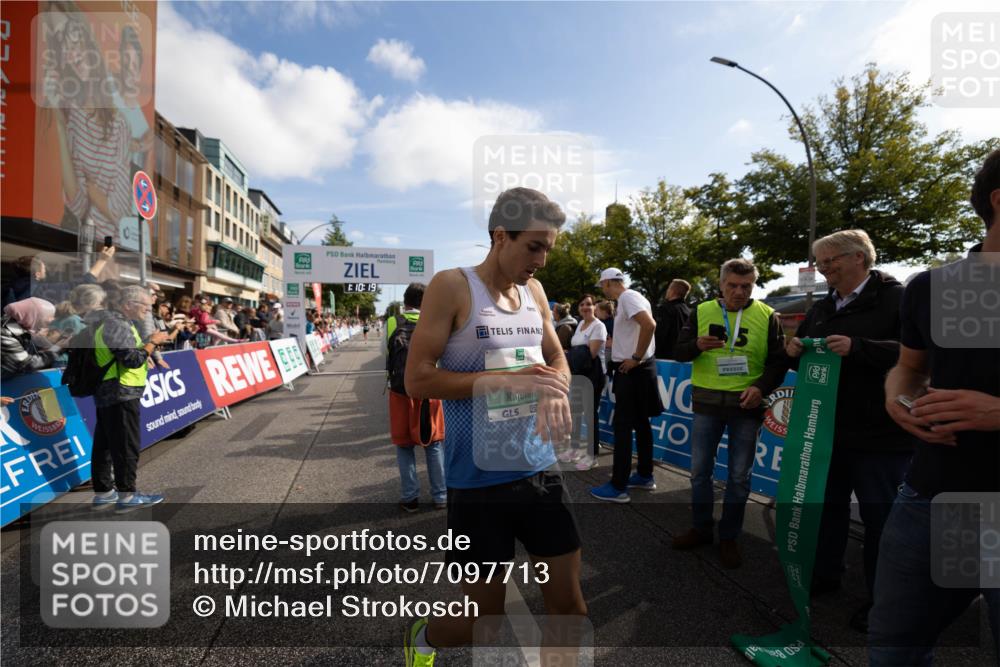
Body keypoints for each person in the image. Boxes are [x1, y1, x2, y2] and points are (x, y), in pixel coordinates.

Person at [402, 188, 584, 666]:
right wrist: (509, 381)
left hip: (540, 471)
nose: (542, 260)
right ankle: (423, 639)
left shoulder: (534, 292)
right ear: (500, 235)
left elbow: (556, 357)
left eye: (548, 248)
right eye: (534, 246)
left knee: (568, 607)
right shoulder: (453, 286)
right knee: (482, 623)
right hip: (477, 480)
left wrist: (557, 386)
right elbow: (417, 378)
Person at [868, 148, 1000, 664]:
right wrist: (896, 398)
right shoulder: (933, 286)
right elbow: (909, 366)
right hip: (929, 499)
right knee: (894, 647)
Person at [785, 229, 912, 633]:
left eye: (829, 262)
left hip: (882, 436)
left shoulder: (900, 298)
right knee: (829, 510)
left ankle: (883, 601)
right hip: (829, 430)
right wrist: (793, 351)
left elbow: (922, 355)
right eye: (820, 264)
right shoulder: (823, 307)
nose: (823, 271)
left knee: (881, 520)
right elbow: (805, 355)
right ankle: (825, 575)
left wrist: (860, 347)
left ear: (858, 257)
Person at [671, 258, 786, 569]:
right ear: (720, 285)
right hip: (707, 405)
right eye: (733, 285)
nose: (739, 292)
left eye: (746, 287)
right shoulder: (702, 310)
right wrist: (695, 344)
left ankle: (730, 536)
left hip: (746, 408)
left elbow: (779, 361)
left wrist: (761, 387)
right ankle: (701, 528)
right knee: (699, 473)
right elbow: (678, 351)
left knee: (738, 477)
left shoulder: (767, 315)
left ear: (753, 286)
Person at [90, 285, 171, 511]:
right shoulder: (117, 324)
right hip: (120, 391)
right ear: (128, 305)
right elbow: (131, 360)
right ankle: (126, 496)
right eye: (145, 307)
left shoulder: (112, 322)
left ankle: (104, 492)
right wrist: (152, 342)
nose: (148, 311)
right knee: (125, 446)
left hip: (112, 390)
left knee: (105, 444)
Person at [589, 268, 662, 503]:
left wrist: (636, 357)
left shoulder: (628, 297)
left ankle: (618, 486)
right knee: (641, 424)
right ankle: (644, 474)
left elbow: (649, 325)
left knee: (623, 427)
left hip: (633, 370)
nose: (603, 289)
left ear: (610, 282)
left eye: (603, 285)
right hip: (639, 369)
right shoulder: (633, 298)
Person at [386, 283, 447, 512]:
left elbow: (386, 353)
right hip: (431, 390)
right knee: (434, 444)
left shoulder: (393, 322)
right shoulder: (435, 322)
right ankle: (441, 496)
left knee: (404, 446)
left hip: (401, 391)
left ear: (405, 301)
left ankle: (410, 498)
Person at [566, 293, 608, 470]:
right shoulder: (581, 324)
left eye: (589, 304)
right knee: (575, 413)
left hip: (594, 374)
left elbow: (590, 354)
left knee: (590, 415)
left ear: (594, 307)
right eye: (582, 304)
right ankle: (574, 449)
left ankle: (592, 456)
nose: (585, 307)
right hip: (578, 373)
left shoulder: (599, 326)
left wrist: (570, 353)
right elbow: (579, 350)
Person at [1, 298, 63, 379]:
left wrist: (43, 343)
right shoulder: (5, 333)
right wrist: (57, 348)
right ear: (31, 317)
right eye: (45, 321)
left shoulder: (22, 330)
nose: (45, 327)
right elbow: (26, 364)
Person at [654, 279, 691, 361]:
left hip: (664, 359)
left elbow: (659, 335)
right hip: (683, 358)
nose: (667, 291)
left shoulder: (665, 309)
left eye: (668, 289)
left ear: (672, 291)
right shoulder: (689, 312)